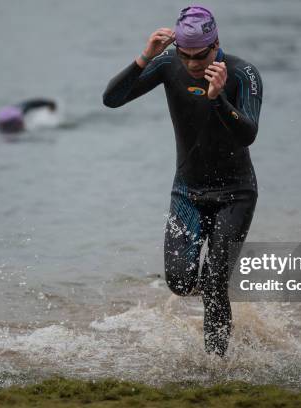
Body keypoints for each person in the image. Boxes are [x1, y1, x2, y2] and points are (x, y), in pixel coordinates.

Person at [103, 6, 262, 356]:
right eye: (184, 55)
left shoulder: (242, 74)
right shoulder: (167, 65)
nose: (191, 64)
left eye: (199, 56)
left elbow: (247, 133)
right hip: (187, 193)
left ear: (216, 43)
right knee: (179, 282)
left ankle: (215, 368)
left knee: (216, 281)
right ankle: (216, 294)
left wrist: (218, 98)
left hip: (235, 195)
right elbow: (111, 100)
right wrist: (146, 57)